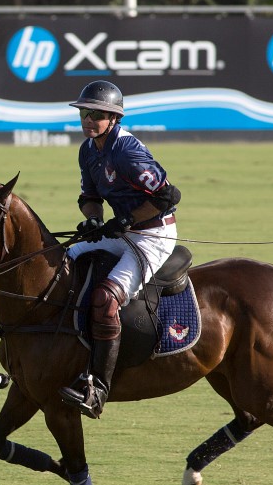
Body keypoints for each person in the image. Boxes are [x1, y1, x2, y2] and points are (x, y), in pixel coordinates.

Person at [58, 80, 181, 419]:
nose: (88, 120)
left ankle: (97, 387)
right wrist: (95, 221)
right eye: (85, 113)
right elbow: (90, 197)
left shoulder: (127, 151)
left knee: (106, 298)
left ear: (113, 118)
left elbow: (168, 197)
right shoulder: (88, 149)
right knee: (62, 261)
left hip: (154, 235)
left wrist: (125, 220)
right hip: (122, 231)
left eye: (96, 114)